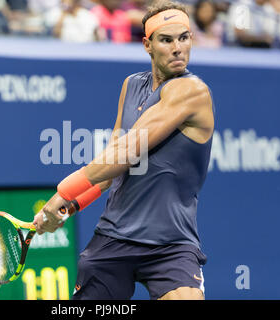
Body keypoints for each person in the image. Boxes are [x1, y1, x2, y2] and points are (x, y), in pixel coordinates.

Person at [34, 0, 214, 300]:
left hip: (172, 245)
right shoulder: (131, 85)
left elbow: (129, 150)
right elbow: (109, 174)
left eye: (184, 38)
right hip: (114, 238)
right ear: (147, 45)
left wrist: (64, 192)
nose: (178, 47)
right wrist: (69, 206)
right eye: (166, 40)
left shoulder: (192, 91)